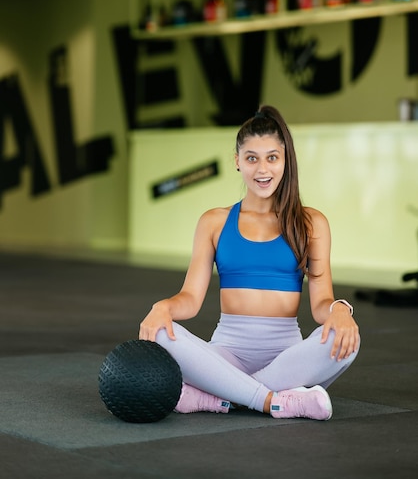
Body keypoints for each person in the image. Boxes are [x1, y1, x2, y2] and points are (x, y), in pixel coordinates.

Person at [139, 105, 360, 420]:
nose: (262, 169)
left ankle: (221, 396)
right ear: (237, 162)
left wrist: (340, 309)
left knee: (348, 339)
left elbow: (321, 303)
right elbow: (189, 299)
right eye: (251, 158)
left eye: (272, 157)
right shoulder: (214, 222)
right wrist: (164, 307)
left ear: (285, 160)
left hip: (288, 357)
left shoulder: (312, 223)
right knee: (160, 333)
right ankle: (276, 401)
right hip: (226, 354)